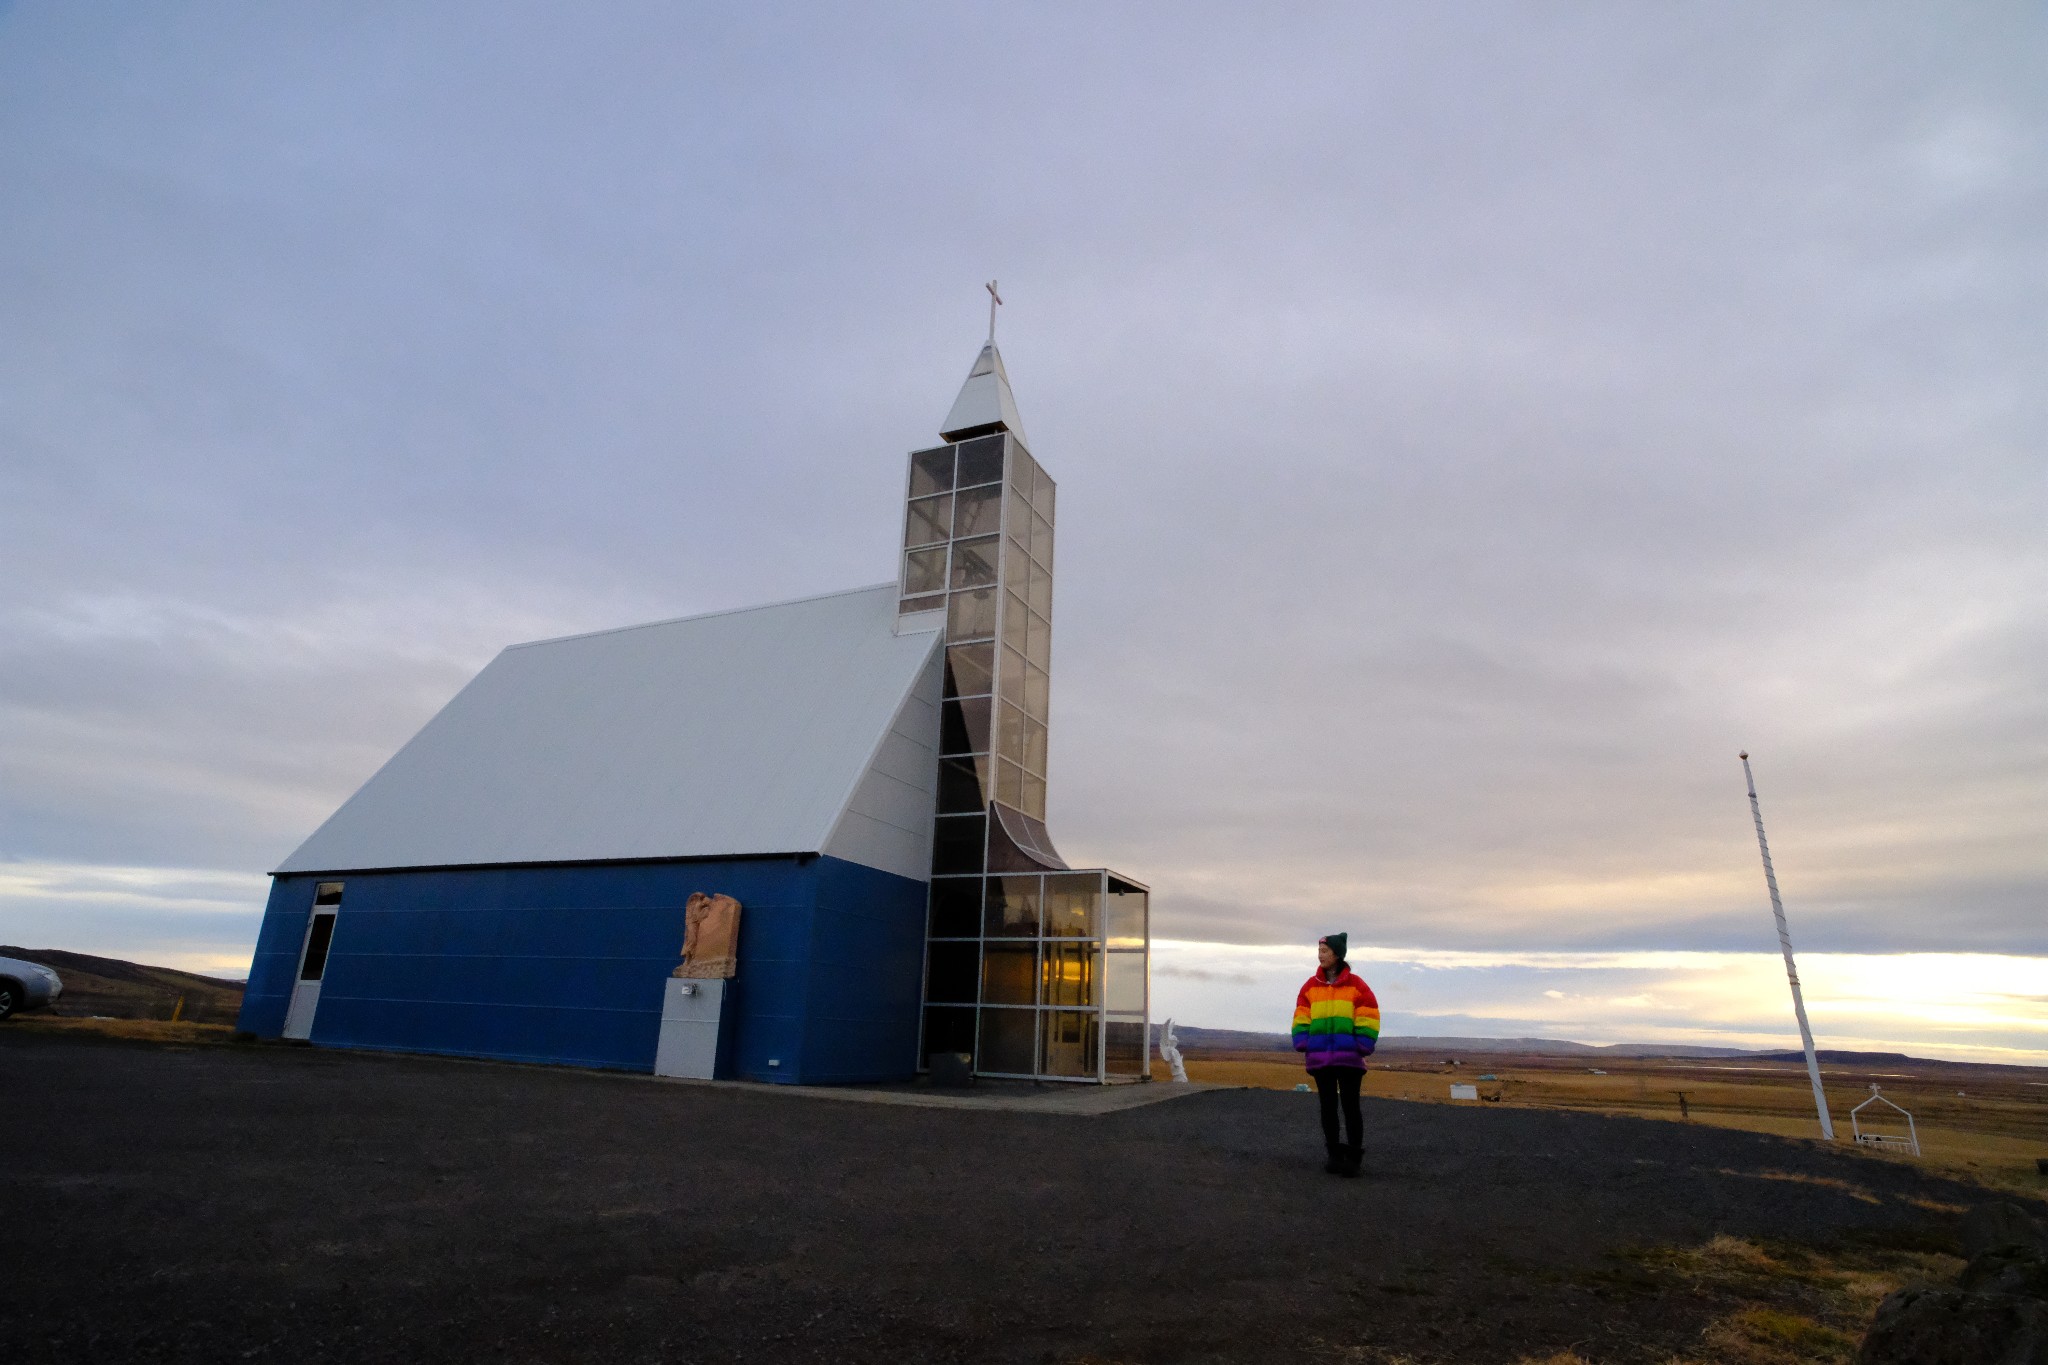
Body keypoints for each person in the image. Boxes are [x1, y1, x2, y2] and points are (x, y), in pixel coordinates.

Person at [1291, 933, 1379, 1177]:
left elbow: (1368, 1014)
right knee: (1327, 1107)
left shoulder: (1357, 986)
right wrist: (1302, 1041)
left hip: (1349, 1059)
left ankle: (1353, 1158)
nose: (1320, 955)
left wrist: (1362, 1045)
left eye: (1325, 951)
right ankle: (1333, 1154)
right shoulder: (1310, 986)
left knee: (1351, 1107)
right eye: (1319, 951)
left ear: (1338, 954)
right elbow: (1301, 1016)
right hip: (1321, 1058)